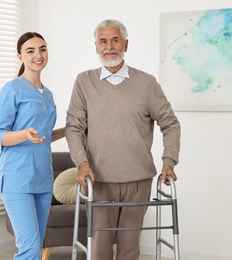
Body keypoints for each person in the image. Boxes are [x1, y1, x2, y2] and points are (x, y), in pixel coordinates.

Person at [66, 19, 181, 260]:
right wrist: (81, 163)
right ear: (96, 47)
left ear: (126, 45)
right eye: (103, 41)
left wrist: (168, 160)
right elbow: (74, 126)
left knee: (130, 248)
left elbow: (170, 123)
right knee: (99, 247)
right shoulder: (84, 82)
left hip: (137, 178)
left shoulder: (147, 83)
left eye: (115, 40)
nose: (109, 46)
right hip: (98, 179)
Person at [0, 32, 65, 260]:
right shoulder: (12, 89)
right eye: (30, 51)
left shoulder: (48, 93)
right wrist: (24, 134)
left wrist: (68, 130)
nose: (38, 55)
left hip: (42, 179)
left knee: (38, 245)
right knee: (29, 249)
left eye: (42, 49)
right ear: (20, 56)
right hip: (17, 179)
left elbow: (41, 138)